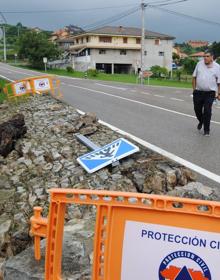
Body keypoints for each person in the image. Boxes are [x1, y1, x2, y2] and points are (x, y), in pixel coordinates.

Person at [192, 51, 220, 136]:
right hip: (198, 92)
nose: (205, 58)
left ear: (212, 57)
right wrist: (194, 90)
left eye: (207, 56)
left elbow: (219, 82)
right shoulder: (199, 64)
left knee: (207, 111)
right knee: (197, 110)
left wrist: (219, 93)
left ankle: (206, 130)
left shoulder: (217, 67)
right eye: (204, 56)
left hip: (210, 93)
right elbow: (194, 77)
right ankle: (201, 121)